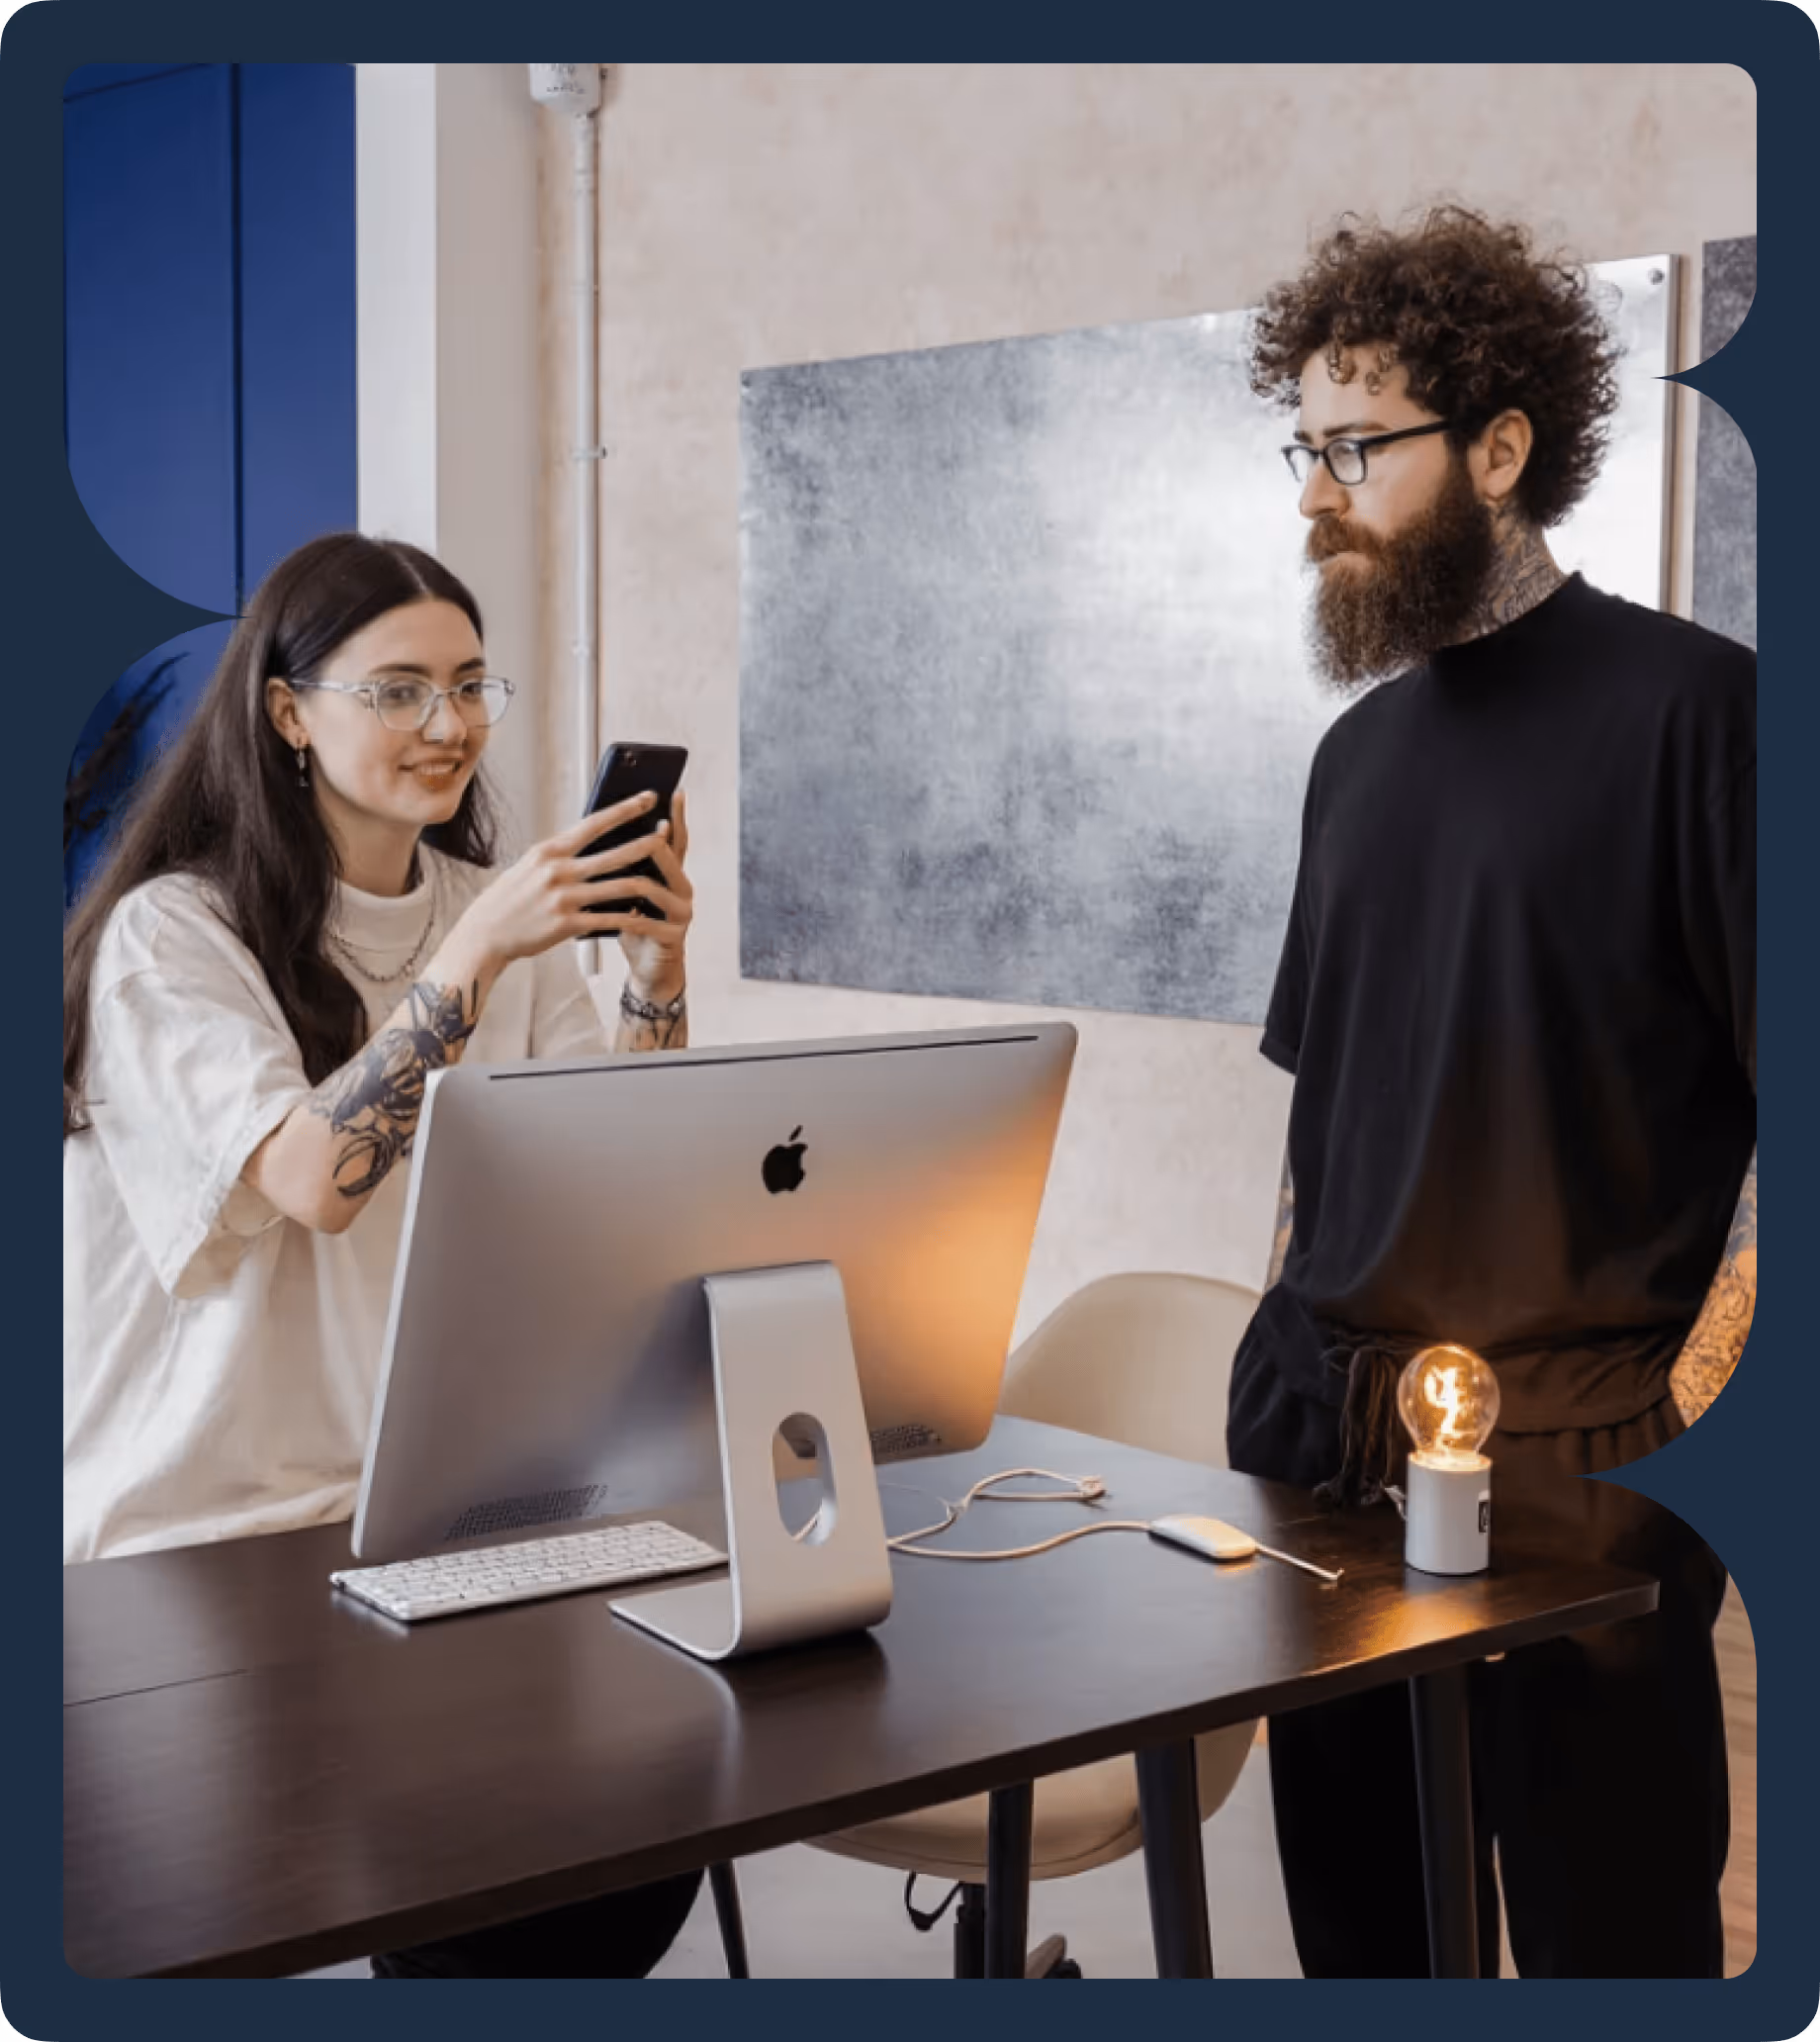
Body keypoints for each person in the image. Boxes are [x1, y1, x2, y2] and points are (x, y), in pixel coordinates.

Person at [1228, 207, 1756, 1978]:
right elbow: (1323, 1124)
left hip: (1584, 1466)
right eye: (1305, 447)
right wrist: (1277, 1346)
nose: (1315, 491)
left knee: (1619, 1952)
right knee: (1364, 1948)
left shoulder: (1710, 718)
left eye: (1356, 447)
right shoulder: (1353, 756)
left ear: (1502, 447)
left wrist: (1672, 1429)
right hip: (1324, 1454)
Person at [63, 531, 703, 1977]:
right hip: (207, 1539)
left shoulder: (504, 923)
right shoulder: (175, 935)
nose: (452, 727)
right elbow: (315, 1177)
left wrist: (655, 987)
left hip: (426, 1510)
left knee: (639, 1827)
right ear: (289, 711)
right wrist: (471, 956)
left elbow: (626, 1189)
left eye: (473, 687)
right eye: (401, 691)